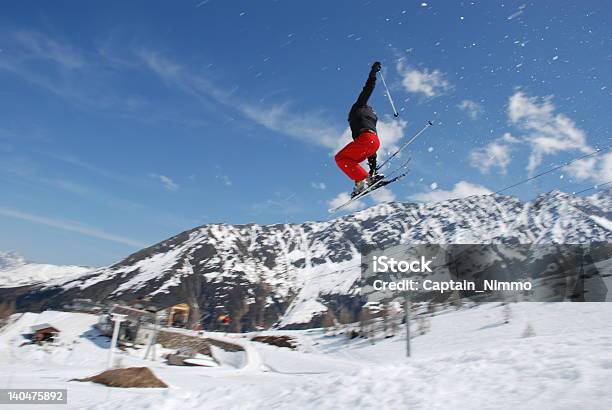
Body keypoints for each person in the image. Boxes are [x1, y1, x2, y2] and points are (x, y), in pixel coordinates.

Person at [334, 61, 385, 198]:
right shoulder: (371, 118)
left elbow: (367, 89)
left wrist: (373, 73)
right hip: (374, 142)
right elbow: (371, 150)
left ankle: (365, 179)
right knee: (350, 161)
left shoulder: (359, 106)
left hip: (367, 140)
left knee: (340, 158)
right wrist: (373, 169)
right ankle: (362, 182)